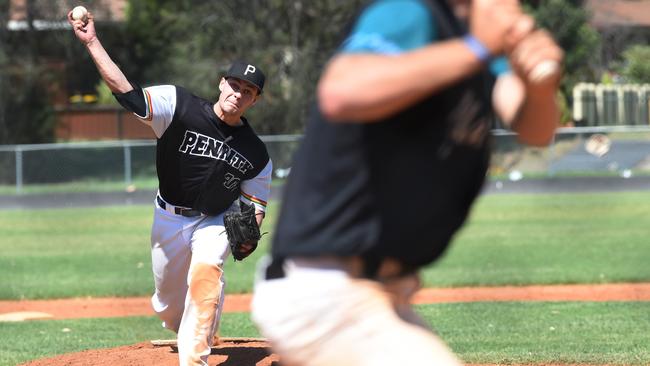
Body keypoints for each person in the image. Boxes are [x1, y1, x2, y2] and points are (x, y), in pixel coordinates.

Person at [252, 0, 563, 365]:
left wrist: (538, 85)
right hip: (326, 290)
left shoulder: (479, 52)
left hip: (380, 295)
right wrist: (477, 47)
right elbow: (342, 91)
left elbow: (536, 129)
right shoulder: (408, 11)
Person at [68, 10, 272, 366]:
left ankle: (195, 359)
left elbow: (255, 203)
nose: (239, 95)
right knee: (168, 307)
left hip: (214, 219)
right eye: (235, 85)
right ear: (222, 83)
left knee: (207, 268)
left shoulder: (256, 153)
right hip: (168, 217)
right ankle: (195, 317)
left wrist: (248, 234)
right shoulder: (179, 106)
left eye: (248, 92)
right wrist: (91, 42)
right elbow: (128, 95)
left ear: (255, 100)